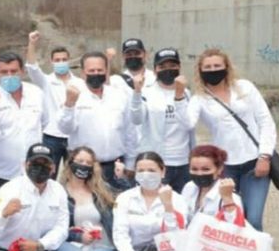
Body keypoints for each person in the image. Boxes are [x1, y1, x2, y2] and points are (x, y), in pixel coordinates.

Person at [174, 48, 277, 231]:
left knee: (252, 218)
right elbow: (187, 124)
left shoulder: (245, 87)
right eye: (208, 67)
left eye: (217, 66)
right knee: (230, 216)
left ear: (227, 67)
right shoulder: (200, 98)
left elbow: (265, 121)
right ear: (200, 70)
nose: (213, 70)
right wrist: (179, 96)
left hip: (255, 162)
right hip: (225, 167)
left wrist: (265, 156)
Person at [58, 52, 139, 192]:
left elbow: (129, 131)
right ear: (83, 73)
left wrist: (131, 164)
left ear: (106, 71)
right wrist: (69, 105)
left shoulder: (119, 95)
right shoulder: (74, 95)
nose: (96, 73)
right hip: (84, 168)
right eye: (91, 71)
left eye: (100, 70)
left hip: (115, 168)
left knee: (116, 209)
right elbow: (65, 129)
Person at [0, 52, 50, 211]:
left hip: (32, 171)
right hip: (0, 173)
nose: (9, 76)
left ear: (22, 72)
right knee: (1, 218)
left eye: (14, 71)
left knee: (33, 214)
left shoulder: (36, 93)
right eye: (4, 72)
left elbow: (45, 122)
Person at [110, 152, 188, 251]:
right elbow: (120, 236)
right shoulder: (125, 198)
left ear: (163, 171)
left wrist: (168, 206)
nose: (146, 174)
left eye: (151, 170)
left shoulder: (178, 200)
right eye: (141, 170)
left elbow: (177, 236)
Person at [129, 48, 195, 192]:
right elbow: (136, 119)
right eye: (162, 67)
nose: (168, 70)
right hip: (157, 162)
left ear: (179, 68)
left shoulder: (187, 94)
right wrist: (136, 92)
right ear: (154, 70)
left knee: (181, 208)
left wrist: (179, 95)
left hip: (182, 161)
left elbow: (189, 125)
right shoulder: (147, 92)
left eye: (172, 66)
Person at [59, 146, 118, 251]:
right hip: (75, 248)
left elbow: (125, 196)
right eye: (80, 161)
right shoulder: (58, 192)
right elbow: (53, 228)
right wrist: (78, 236)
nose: (83, 165)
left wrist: (121, 176)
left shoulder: (101, 190)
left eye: (88, 163)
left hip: (102, 246)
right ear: (70, 162)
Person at [25, 31, 83, 169]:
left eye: (64, 60)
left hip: (74, 135)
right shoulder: (46, 81)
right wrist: (32, 44)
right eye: (57, 60)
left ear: (69, 61)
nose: (61, 62)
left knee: (75, 173)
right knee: (49, 171)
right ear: (52, 62)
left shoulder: (79, 83)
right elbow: (32, 67)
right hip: (51, 136)